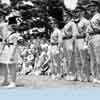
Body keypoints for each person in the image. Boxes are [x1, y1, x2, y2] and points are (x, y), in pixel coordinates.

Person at [73, 6, 90, 82]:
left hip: (82, 40)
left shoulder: (86, 21)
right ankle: (79, 76)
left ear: (83, 12)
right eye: (76, 12)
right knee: (77, 59)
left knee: (84, 59)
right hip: (76, 40)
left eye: (78, 11)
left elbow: (88, 33)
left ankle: (86, 76)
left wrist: (86, 42)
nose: (77, 13)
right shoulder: (75, 21)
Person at [61, 10, 78, 81]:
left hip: (69, 40)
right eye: (63, 16)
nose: (63, 17)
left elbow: (74, 34)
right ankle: (68, 73)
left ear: (68, 16)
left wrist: (71, 43)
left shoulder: (72, 23)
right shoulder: (66, 25)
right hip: (65, 41)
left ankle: (73, 74)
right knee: (67, 59)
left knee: (71, 59)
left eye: (65, 16)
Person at [86, 0, 100, 83]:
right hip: (90, 38)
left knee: (98, 57)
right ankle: (95, 77)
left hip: (97, 36)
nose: (90, 8)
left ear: (96, 7)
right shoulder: (91, 18)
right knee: (93, 58)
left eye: (92, 6)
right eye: (89, 6)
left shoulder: (99, 16)